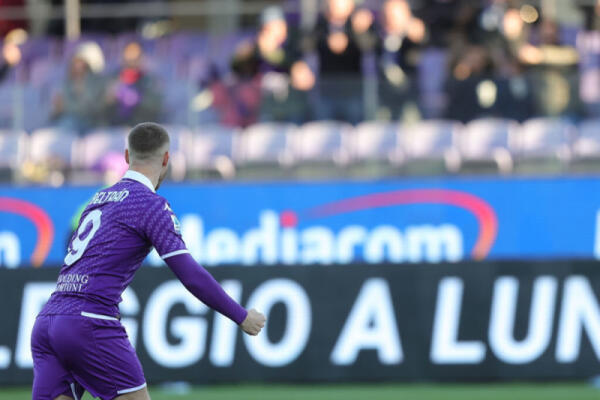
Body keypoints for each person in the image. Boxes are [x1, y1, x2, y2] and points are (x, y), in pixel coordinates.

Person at [31, 122, 266, 400]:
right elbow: (190, 275)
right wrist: (241, 316)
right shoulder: (150, 205)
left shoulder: (98, 199)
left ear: (127, 156)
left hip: (47, 322)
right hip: (90, 321)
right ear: (166, 159)